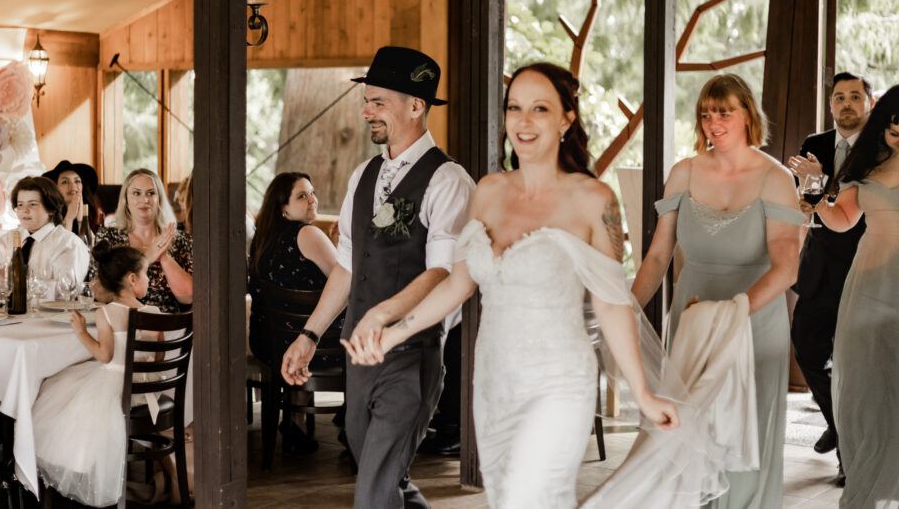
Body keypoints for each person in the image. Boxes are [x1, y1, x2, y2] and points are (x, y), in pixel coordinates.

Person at [342, 63, 678, 507]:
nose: (523, 120)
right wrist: (392, 332)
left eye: (540, 108)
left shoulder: (593, 200)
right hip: (495, 380)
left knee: (530, 495)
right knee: (506, 497)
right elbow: (457, 284)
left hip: (559, 382)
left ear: (566, 119)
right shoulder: (488, 192)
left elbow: (613, 305)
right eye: (514, 107)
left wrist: (642, 394)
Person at [281, 46, 475, 509]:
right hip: (357, 355)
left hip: (410, 357)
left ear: (415, 106)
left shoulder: (449, 181)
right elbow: (347, 266)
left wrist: (386, 315)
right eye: (366, 100)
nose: (366, 111)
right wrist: (310, 334)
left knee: (372, 493)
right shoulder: (362, 175)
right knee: (385, 480)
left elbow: (442, 273)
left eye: (378, 101)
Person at [632, 73, 803, 509]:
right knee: (691, 429)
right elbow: (656, 257)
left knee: (748, 434)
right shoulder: (684, 173)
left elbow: (786, 267)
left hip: (755, 320)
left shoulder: (775, 177)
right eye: (706, 114)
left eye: (724, 112)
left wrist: (730, 311)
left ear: (748, 114)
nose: (713, 122)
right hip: (692, 319)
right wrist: (624, 313)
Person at [805, 85, 899, 508]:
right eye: (894, 124)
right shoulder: (868, 167)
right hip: (869, 287)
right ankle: (866, 475)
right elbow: (841, 220)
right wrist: (814, 192)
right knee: (865, 385)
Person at [32, 240, 178, 506]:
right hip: (148, 391)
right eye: (147, 274)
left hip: (117, 388)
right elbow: (158, 358)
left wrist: (81, 332)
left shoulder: (107, 313)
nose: (149, 280)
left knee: (60, 400)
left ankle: (89, 474)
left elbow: (104, 356)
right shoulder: (155, 312)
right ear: (133, 279)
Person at [786, 72, 873, 479]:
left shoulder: (882, 149)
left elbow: (851, 211)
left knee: (855, 365)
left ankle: (850, 460)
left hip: (865, 266)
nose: (846, 104)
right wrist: (806, 192)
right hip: (819, 267)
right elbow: (803, 203)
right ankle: (838, 423)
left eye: (855, 96)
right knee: (805, 348)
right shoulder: (814, 145)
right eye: (839, 97)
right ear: (831, 104)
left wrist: (819, 184)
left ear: (869, 103)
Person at [248, 171, 340, 452]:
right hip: (311, 349)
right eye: (302, 195)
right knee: (365, 328)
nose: (312, 199)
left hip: (267, 343)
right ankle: (354, 416)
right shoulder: (308, 233)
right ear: (283, 208)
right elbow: (345, 281)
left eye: (312, 192)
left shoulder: (263, 238)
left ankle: (296, 418)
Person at [93, 169, 192, 313]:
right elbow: (99, 293)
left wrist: (164, 257)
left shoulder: (181, 240)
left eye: (151, 193)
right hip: (120, 322)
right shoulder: (109, 238)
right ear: (125, 199)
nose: (144, 200)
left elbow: (189, 297)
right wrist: (145, 259)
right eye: (136, 193)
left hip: (168, 326)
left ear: (159, 199)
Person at [0, 177, 90, 296]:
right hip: (5, 312)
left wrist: (13, 285)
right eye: (20, 205)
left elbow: (65, 291)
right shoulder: (7, 239)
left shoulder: (69, 244)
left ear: (51, 209)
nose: (25, 210)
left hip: (53, 315)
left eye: (32, 204)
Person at [42, 159, 104, 235]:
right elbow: (61, 244)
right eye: (65, 182)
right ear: (55, 188)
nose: (73, 185)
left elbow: (90, 245)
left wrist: (81, 220)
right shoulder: (47, 215)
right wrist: (69, 217)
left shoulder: (93, 211)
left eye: (77, 181)